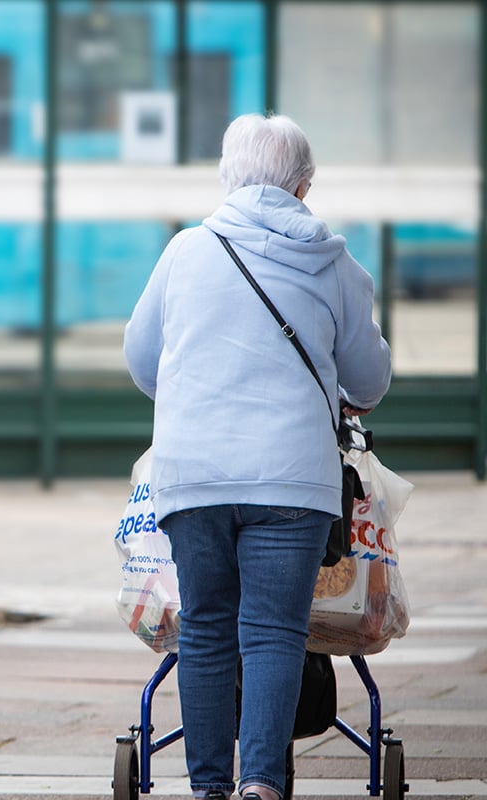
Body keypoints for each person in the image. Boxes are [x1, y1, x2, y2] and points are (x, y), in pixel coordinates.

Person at [123, 114, 391, 800]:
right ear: (304, 186)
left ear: (226, 176)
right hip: (292, 481)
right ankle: (262, 787)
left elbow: (142, 361)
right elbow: (370, 382)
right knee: (274, 632)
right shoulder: (334, 262)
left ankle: (208, 788)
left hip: (195, 475)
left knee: (206, 630)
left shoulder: (184, 251)